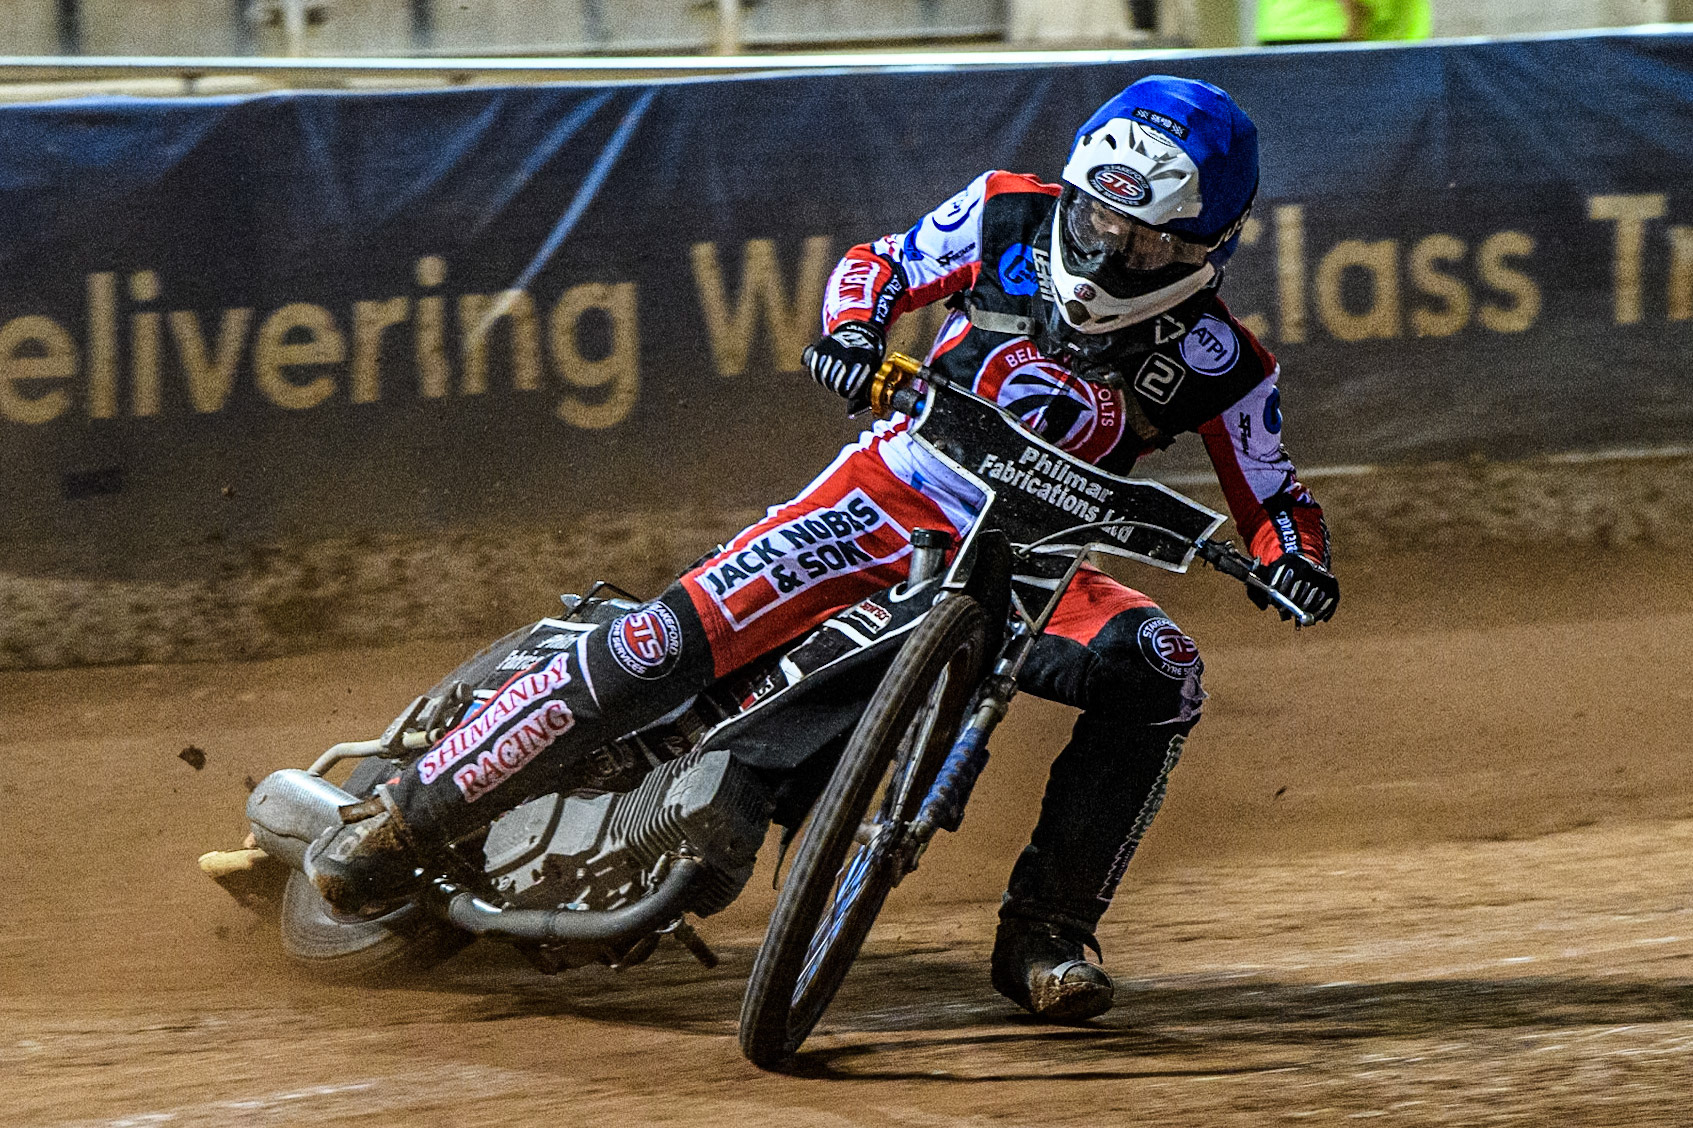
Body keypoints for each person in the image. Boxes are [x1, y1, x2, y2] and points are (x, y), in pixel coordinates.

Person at [306, 75, 1339, 1023]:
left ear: (1209, 250)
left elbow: (1274, 490)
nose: (1109, 250)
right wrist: (853, 333)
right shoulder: (1004, 210)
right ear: (1073, 188)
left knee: (1161, 670)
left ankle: (1046, 934)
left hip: (1032, 567)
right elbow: (879, 265)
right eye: (1098, 215)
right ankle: (410, 814)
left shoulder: (1224, 363)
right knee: (664, 643)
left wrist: (1292, 558)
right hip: (890, 491)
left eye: (1144, 242)